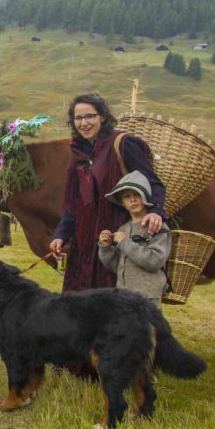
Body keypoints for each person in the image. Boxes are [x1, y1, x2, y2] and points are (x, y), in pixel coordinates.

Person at [49, 93, 166, 292]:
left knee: (111, 306)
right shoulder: (78, 153)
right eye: (78, 118)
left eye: (90, 116)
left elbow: (153, 183)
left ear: (102, 116)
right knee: (78, 305)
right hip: (84, 241)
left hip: (115, 235)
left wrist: (156, 212)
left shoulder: (123, 144)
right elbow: (75, 204)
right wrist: (61, 235)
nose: (84, 123)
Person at [98, 171, 171, 303]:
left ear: (145, 197)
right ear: (122, 203)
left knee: (146, 325)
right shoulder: (123, 229)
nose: (133, 199)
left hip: (147, 295)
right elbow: (116, 266)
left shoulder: (156, 226)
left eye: (137, 194)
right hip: (123, 295)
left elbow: (155, 261)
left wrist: (124, 242)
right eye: (127, 197)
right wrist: (105, 248)